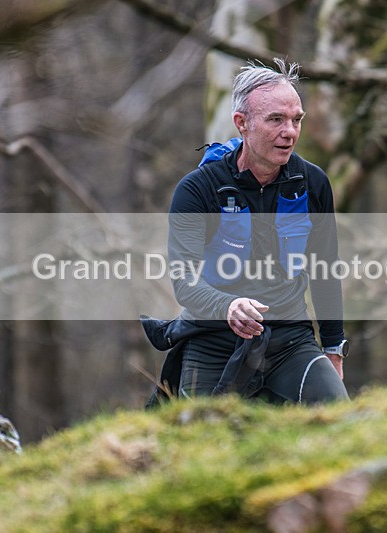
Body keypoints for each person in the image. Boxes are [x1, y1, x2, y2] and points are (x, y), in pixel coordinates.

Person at [142, 58, 349, 406]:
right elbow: (185, 282)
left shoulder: (312, 183)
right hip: (211, 338)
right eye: (276, 120)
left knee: (341, 421)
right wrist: (229, 305)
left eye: (296, 120)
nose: (290, 132)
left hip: (290, 339)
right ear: (242, 123)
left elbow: (325, 270)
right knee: (201, 443)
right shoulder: (198, 189)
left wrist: (333, 347)